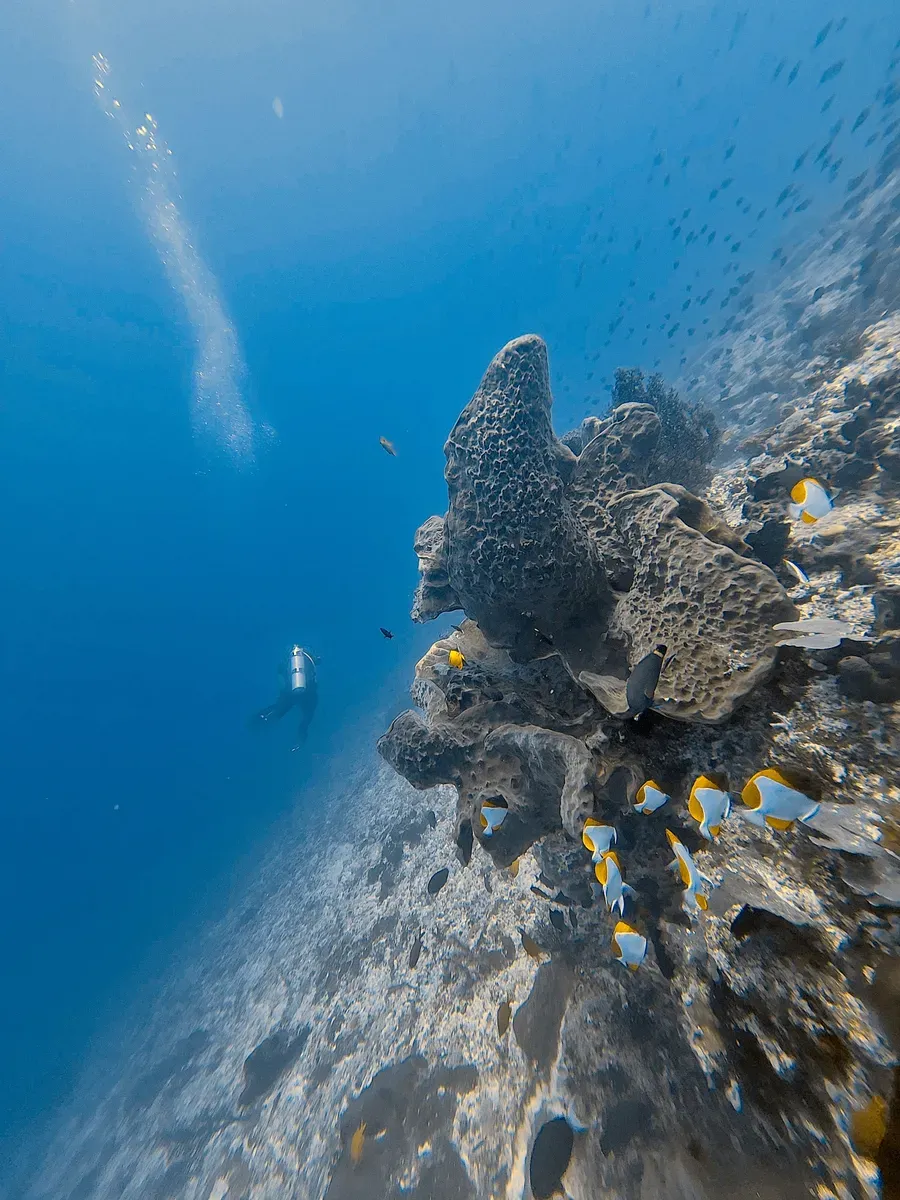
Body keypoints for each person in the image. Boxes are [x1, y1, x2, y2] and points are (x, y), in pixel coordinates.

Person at [252, 645, 318, 750]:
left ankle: (261, 718)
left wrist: (284, 693)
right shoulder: (309, 658)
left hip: (290, 693)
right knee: (306, 717)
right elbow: (317, 664)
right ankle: (300, 741)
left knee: (279, 709)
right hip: (308, 694)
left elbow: (281, 675)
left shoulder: (287, 661)